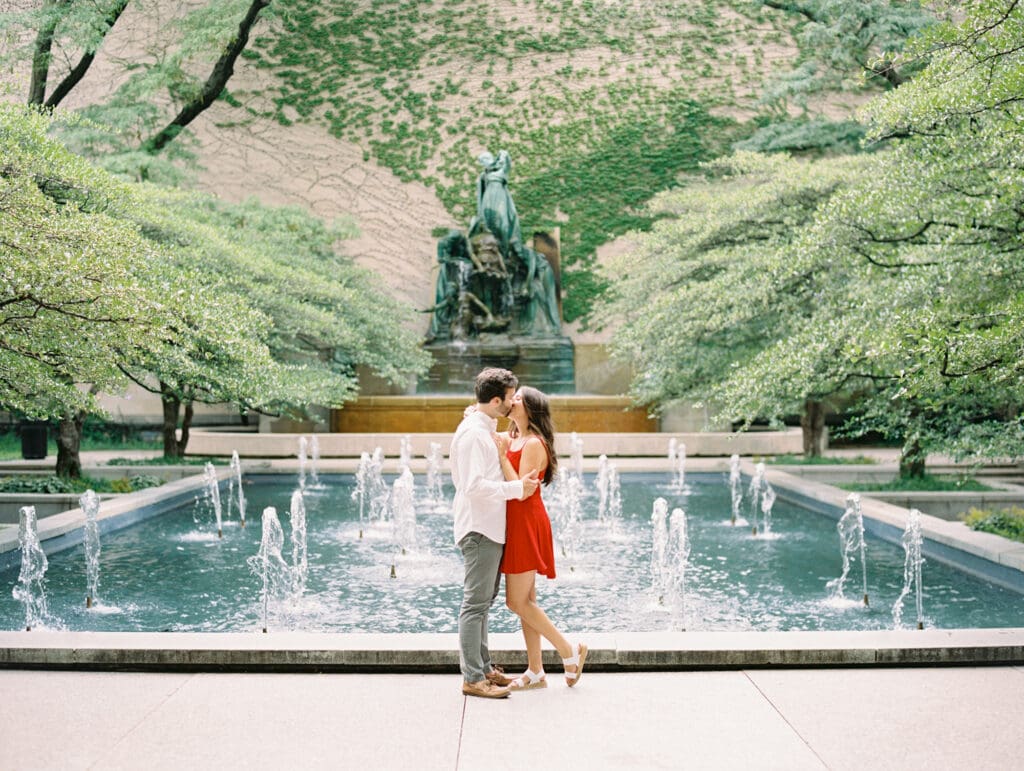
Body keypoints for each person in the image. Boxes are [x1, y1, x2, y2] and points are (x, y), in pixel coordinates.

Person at [450, 367, 540, 699]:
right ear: (496, 400)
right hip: (479, 527)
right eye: (511, 398)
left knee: (482, 603)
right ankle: (473, 678)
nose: (514, 403)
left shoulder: (482, 425)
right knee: (474, 605)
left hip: (487, 526)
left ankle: (484, 668)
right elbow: (473, 486)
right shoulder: (475, 433)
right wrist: (516, 489)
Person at [495, 386, 588, 689]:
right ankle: (535, 671)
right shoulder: (514, 437)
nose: (512, 401)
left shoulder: (534, 443)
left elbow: (521, 490)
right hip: (515, 522)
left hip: (526, 522)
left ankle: (568, 651)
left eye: (518, 398)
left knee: (516, 601)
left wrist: (501, 457)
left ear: (531, 408)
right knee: (528, 600)